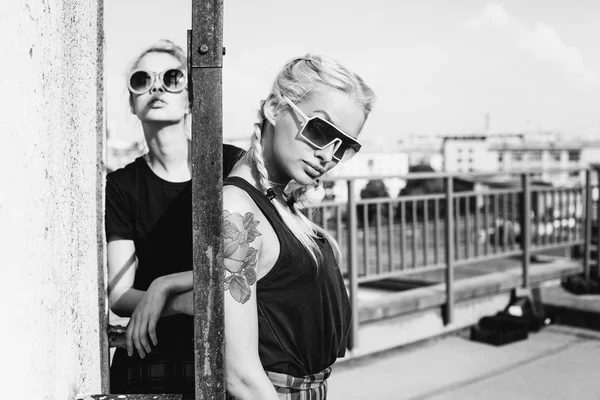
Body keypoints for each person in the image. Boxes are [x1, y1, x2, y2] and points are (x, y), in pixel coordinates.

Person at [125, 53, 375, 399]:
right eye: (319, 129)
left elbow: (251, 272)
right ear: (274, 108)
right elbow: (240, 376)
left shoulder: (277, 200)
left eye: (344, 145)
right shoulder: (237, 209)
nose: (327, 155)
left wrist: (168, 283)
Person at [105, 39, 244, 398]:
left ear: (192, 99)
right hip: (149, 345)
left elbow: (248, 264)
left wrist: (162, 284)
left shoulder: (229, 165)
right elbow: (119, 295)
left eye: (171, 78)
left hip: (224, 340)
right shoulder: (122, 185)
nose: (156, 88)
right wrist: (181, 302)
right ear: (133, 104)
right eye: (141, 80)